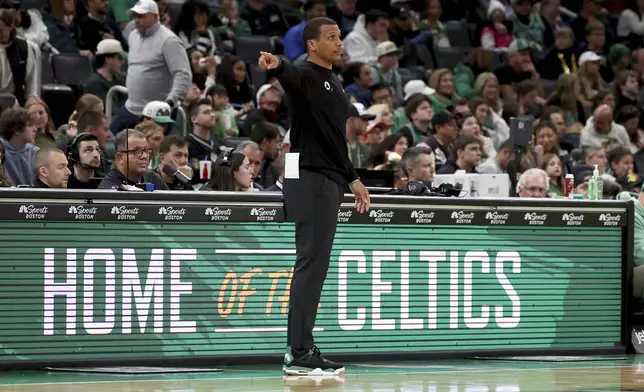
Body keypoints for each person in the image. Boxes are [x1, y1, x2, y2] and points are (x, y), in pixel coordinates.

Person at [258, 15, 370, 375]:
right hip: (311, 178)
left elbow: (333, 139)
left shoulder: (331, 81)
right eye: (332, 38)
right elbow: (288, 74)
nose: (340, 43)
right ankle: (298, 351)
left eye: (340, 37)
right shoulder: (306, 73)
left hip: (324, 178)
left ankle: (303, 346)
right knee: (311, 264)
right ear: (312, 45)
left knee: (315, 266)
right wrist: (277, 65)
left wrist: (351, 178)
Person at [110, 0, 191, 133]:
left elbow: (183, 74)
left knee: (148, 150)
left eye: (141, 16)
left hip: (157, 113)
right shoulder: (133, 36)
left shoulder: (169, 41)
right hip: (131, 106)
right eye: (135, 16)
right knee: (112, 140)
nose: (136, 20)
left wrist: (170, 102)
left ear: (155, 16)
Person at [98, 129, 169, 189]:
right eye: (136, 151)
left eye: (146, 151)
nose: (144, 156)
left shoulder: (153, 179)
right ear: (120, 158)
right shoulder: (108, 189)